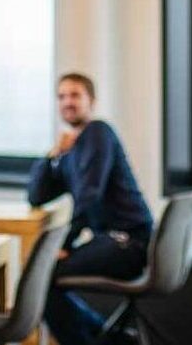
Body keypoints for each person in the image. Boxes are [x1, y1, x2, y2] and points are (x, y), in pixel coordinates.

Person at [28, 73, 153, 345]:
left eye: (75, 95)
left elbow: (89, 196)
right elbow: (36, 196)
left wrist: (63, 243)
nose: (67, 102)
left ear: (91, 101)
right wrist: (52, 155)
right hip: (112, 241)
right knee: (42, 276)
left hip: (130, 243)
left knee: (42, 277)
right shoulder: (73, 150)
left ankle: (104, 339)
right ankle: (113, 338)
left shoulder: (98, 133)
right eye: (61, 96)